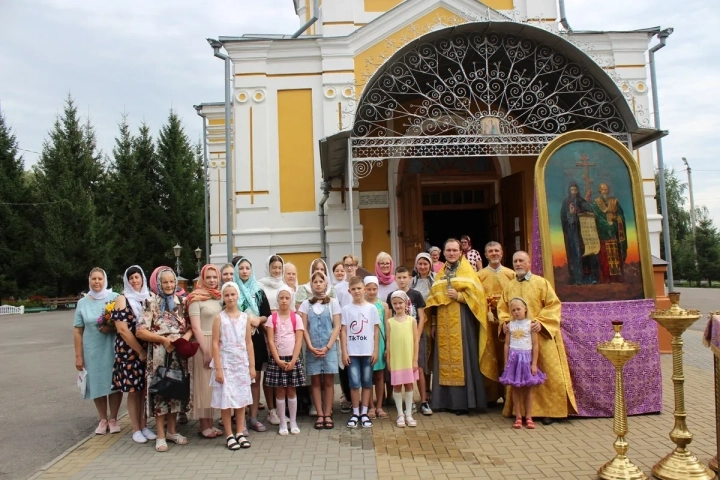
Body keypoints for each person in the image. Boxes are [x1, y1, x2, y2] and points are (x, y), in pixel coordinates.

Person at [497, 251, 578, 424]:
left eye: (521, 261)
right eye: (515, 261)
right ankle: (522, 414)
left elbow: (553, 305)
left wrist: (541, 322)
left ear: (529, 263)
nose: (518, 264)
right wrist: (504, 322)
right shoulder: (509, 286)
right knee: (521, 377)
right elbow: (502, 308)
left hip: (540, 335)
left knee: (546, 373)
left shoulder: (541, 283)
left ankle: (549, 411)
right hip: (519, 341)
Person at [424, 238, 499, 414]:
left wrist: (460, 297)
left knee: (465, 358)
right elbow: (433, 301)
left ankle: (466, 402)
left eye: (454, 250)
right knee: (444, 360)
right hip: (443, 323)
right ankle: (444, 401)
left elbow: (479, 299)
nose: (451, 253)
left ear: (460, 252)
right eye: (448, 250)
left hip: (463, 321)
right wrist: (433, 323)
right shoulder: (441, 274)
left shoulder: (468, 272)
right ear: (444, 253)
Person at [137, 267, 193, 452]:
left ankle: (172, 431)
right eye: (165, 282)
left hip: (178, 352)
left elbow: (191, 326)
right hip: (160, 352)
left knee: (176, 390)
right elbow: (140, 331)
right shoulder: (151, 302)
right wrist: (162, 339)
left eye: (171, 282)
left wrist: (183, 339)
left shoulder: (182, 301)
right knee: (161, 390)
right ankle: (160, 435)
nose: (169, 285)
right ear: (158, 284)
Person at [74, 268, 122, 435]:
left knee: (113, 382)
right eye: (93, 279)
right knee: (96, 382)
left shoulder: (115, 298)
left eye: (99, 278)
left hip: (111, 347)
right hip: (92, 349)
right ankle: (103, 419)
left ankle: (114, 418)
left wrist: (111, 327)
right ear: (89, 281)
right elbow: (78, 330)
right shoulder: (82, 302)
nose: (97, 282)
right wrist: (78, 356)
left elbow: (125, 322)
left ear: (105, 280)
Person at [111, 266, 153, 444]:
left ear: (143, 278)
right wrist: (140, 351)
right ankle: (135, 429)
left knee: (144, 390)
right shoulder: (122, 299)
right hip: (129, 351)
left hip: (147, 348)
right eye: (131, 278)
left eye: (137, 277)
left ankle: (144, 425)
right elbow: (122, 330)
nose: (135, 281)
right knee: (134, 391)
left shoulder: (148, 297)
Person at [211, 282, 254, 450]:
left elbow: (249, 343)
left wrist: (252, 366)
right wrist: (219, 369)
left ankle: (240, 432)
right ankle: (229, 434)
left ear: (237, 296)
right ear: (223, 297)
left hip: (241, 362)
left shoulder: (245, 318)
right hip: (226, 362)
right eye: (227, 295)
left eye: (233, 294)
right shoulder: (219, 318)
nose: (230, 298)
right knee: (227, 400)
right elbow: (215, 343)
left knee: (241, 399)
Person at [233, 258, 272, 433]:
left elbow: (266, 315)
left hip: (255, 340)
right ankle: (240, 420)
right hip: (236, 340)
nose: (244, 271)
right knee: (240, 380)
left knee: (255, 379)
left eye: (247, 268)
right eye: (241, 268)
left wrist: (257, 320)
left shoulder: (258, 291)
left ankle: (253, 417)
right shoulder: (232, 291)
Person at [298, 272, 341, 430]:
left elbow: (337, 326)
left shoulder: (333, 303)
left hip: (329, 347)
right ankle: (320, 414)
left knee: (329, 381)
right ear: (311, 284)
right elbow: (303, 327)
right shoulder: (305, 304)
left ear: (326, 283)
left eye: (320, 281)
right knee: (315, 382)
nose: (318, 284)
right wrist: (309, 346)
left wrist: (328, 346)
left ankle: (328, 413)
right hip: (312, 348)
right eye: (314, 281)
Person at [186, 264, 223, 439]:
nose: (212, 280)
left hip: (217, 342)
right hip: (203, 344)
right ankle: (203, 425)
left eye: (214, 277)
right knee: (203, 384)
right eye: (208, 277)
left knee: (212, 385)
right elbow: (195, 327)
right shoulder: (195, 299)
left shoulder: (219, 298)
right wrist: (206, 350)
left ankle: (210, 422)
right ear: (202, 278)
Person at [388, 266, 430, 415]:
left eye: (404, 277)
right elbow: (389, 317)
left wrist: (417, 336)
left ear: (410, 278)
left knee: (418, 368)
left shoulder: (416, 295)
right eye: (399, 277)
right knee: (403, 370)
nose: (402, 280)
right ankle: (409, 403)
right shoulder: (391, 296)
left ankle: (423, 401)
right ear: (395, 279)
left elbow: (422, 317)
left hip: (416, 334)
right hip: (400, 338)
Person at [499, 297, 546, 429]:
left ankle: (529, 416)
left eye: (519, 309)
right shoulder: (509, 326)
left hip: (526, 360)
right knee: (515, 388)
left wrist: (534, 364)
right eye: (513, 310)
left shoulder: (530, 325)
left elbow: (536, 345)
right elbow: (507, 345)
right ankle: (518, 416)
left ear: (525, 309)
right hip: (514, 360)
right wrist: (506, 363)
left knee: (528, 389)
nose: (516, 312)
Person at [477, 241, 516, 401]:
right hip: (487, 323)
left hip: (507, 322)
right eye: (490, 251)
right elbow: (476, 299)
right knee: (489, 355)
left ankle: (508, 395)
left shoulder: (511, 274)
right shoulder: (479, 276)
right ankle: (490, 395)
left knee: (506, 356)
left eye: (496, 251)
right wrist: (487, 310)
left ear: (502, 253)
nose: (494, 253)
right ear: (485, 255)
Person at [341, 276, 380, 429]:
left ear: (364, 289)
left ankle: (364, 412)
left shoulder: (371, 308)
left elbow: (376, 331)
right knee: (354, 383)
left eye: (359, 288)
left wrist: (376, 350)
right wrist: (344, 352)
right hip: (353, 353)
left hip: (367, 351)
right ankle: (355, 412)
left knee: (367, 382)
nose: (357, 291)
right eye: (354, 289)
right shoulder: (346, 309)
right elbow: (343, 331)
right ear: (349, 291)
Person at [265, 286, 306, 436]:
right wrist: (277, 360)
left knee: (291, 390)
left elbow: (299, 341)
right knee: (280, 390)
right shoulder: (272, 318)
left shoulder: (296, 318)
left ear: (291, 299)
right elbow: (270, 341)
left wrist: (294, 360)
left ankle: (293, 421)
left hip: (292, 358)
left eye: (287, 298)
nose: (284, 301)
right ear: (277, 300)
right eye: (281, 298)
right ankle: (282, 422)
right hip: (278, 360)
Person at [386, 290, 419, 428]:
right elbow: (388, 341)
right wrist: (388, 359)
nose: (398, 306)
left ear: (406, 304)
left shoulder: (412, 321)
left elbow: (415, 341)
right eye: (395, 303)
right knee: (397, 385)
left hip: (408, 358)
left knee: (409, 385)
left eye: (400, 303)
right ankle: (400, 414)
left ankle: (409, 413)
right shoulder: (389, 322)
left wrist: (415, 359)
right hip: (397, 359)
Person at [560, 182, 599, 285]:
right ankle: (578, 278)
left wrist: (585, 210)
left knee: (589, 254)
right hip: (573, 235)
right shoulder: (566, 203)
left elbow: (591, 215)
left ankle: (592, 278)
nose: (574, 192)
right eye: (572, 190)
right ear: (569, 191)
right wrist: (571, 214)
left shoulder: (583, 202)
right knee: (576, 255)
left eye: (575, 190)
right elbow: (564, 219)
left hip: (585, 235)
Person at [410, 252, 435, 411]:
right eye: (420, 264)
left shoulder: (436, 281)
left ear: (431, 265)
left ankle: (432, 391)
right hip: (416, 325)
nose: (423, 266)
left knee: (431, 359)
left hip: (431, 324)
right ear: (416, 266)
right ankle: (423, 393)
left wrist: (433, 324)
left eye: (426, 264)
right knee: (420, 360)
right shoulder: (412, 282)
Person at [335, 255, 359, 413]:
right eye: (346, 265)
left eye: (351, 265)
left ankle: (359, 398)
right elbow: (336, 310)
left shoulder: (360, 284)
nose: (349, 268)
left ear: (356, 266)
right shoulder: (338, 288)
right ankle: (347, 397)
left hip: (359, 331)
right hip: (343, 330)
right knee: (344, 365)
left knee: (358, 364)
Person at [364, 276, 390, 420]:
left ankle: (379, 406)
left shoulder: (383, 306)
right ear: (364, 289)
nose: (372, 292)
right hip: (365, 344)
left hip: (379, 343)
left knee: (379, 376)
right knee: (367, 376)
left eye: (375, 289)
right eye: (369, 289)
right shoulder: (361, 304)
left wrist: (387, 347)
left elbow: (387, 327)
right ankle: (370, 406)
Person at [592, 182, 628, 283]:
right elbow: (597, 217)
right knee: (605, 258)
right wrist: (607, 225)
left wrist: (617, 219)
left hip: (614, 234)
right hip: (603, 234)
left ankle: (616, 278)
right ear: (599, 191)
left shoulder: (614, 201)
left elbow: (621, 215)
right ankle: (606, 278)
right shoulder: (596, 203)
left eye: (605, 189)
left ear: (608, 190)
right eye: (602, 189)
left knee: (616, 256)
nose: (604, 191)